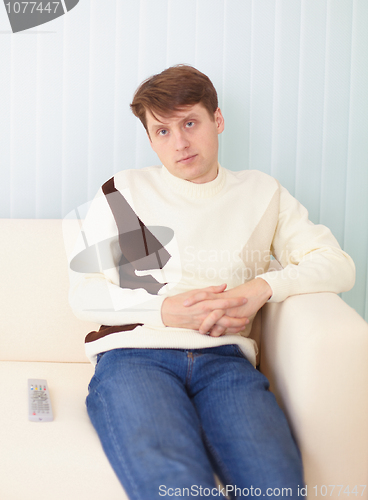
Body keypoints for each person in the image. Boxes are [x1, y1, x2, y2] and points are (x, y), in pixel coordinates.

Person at [67, 65, 355, 499]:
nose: (179, 143)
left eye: (189, 123)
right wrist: (163, 309)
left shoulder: (262, 193)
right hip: (134, 357)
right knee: (178, 487)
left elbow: (337, 265)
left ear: (216, 121)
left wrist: (260, 288)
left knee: (276, 487)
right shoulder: (123, 190)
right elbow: (83, 292)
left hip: (225, 360)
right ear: (149, 139)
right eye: (162, 132)